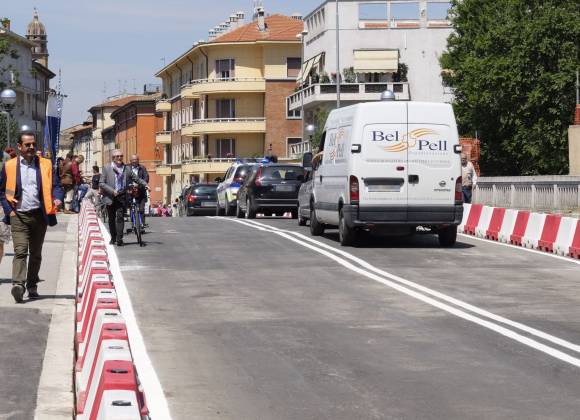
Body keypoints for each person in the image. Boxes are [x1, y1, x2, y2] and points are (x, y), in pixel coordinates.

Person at [0, 129, 64, 302]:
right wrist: (9, 211)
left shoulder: (46, 164)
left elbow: (57, 186)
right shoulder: (10, 166)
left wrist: (57, 198)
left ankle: (32, 285)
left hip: (39, 215)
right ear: (19, 147)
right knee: (20, 251)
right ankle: (18, 285)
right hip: (18, 215)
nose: (31, 147)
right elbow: (1, 191)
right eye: (27, 145)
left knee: (36, 253)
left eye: (33, 144)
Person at [99, 149, 147, 246]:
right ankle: (113, 237)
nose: (120, 158)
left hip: (121, 195)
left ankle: (119, 238)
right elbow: (101, 183)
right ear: (113, 158)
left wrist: (145, 184)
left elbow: (136, 178)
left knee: (120, 217)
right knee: (111, 218)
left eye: (121, 156)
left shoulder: (126, 168)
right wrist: (112, 191)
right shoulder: (107, 168)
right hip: (110, 196)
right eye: (117, 156)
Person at [129, 155, 149, 226]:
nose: (135, 161)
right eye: (133, 160)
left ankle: (142, 224)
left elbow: (146, 178)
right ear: (130, 161)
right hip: (130, 190)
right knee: (132, 208)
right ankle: (133, 223)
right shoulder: (127, 168)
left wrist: (141, 185)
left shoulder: (142, 168)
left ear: (138, 160)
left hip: (141, 190)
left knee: (141, 209)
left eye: (136, 159)